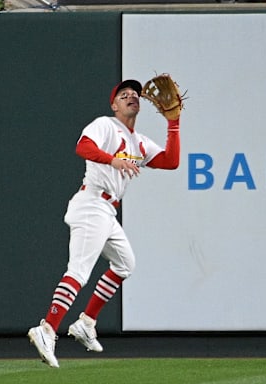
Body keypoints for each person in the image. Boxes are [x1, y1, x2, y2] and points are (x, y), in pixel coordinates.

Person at [27, 79, 181, 368]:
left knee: (125, 264)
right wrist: (114, 161)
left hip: (107, 211)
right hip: (91, 204)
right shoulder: (105, 125)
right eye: (124, 96)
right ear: (114, 105)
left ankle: (86, 322)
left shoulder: (140, 141)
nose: (131, 98)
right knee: (79, 271)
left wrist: (174, 123)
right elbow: (82, 147)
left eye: (135, 95)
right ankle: (47, 328)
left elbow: (171, 161)